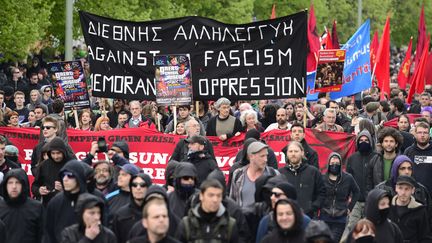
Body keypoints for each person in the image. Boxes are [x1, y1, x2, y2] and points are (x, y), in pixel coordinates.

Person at [343, 129, 379, 240]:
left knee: (370, 229)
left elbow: (378, 178)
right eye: (361, 140)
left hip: (371, 200)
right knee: (352, 227)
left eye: (366, 140)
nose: (363, 142)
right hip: (356, 201)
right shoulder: (352, 158)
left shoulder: (376, 157)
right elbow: (347, 179)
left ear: (371, 141)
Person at [44, 160, 89, 243]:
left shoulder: (92, 200)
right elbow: (48, 233)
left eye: (70, 175)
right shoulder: (55, 202)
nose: (65, 179)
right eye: (63, 175)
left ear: (79, 176)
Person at [277, 141, 325, 218]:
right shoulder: (280, 173)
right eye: (290, 151)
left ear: (302, 153)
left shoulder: (313, 172)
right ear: (287, 153)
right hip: (286, 217)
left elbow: (322, 193)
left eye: (296, 151)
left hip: (309, 217)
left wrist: (312, 207)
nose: (293, 154)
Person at [321, 152, 360, 242]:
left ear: (341, 164)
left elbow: (357, 192)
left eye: (337, 163)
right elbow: (317, 193)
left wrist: (350, 207)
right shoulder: (322, 178)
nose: (334, 165)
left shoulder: (348, 178)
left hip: (340, 218)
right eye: (332, 163)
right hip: (324, 217)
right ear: (328, 164)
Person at [229, 141, 279, 208]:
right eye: (262, 156)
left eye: (266, 155)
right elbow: (232, 202)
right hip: (243, 217)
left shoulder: (274, 174)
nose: (266, 160)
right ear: (251, 156)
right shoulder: (238, 174)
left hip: (266, 217)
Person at [0, 168, 43, 243]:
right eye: (10, 183)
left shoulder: (37, 208)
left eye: (18, 182)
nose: (14, 186)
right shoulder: (1, 207)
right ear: (5, 185)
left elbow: (43, 235)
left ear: (23, 184)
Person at [31, 137, 76, 206]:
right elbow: (35, 186)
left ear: (63, 152)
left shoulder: (72, 164)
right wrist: (39, 190)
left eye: (58, 153)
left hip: (68, 205)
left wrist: (64, 189)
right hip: (48, 206)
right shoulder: (44, 165)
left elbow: (80, 187)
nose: (56, 156)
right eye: (53, 153)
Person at [388, 176, 432, 242]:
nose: (403, 192)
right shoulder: (387, 207)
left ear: (413, 190)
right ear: (396, 188)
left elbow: (425, 237)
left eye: (407, 189)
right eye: (400, 188)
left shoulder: (420, 210)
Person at [112, 173, 152, 243]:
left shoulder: (155, 214)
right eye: (134, 185)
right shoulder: (121, 214)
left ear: (148, 187)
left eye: (142, 185)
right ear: (131, 188)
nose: (138, 188)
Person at [404, 121, 432, 194]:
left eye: (425, 133)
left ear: (429, 135)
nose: (422, 135)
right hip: (413, 194)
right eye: (419, 132)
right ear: (415, 134)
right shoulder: (408, 151)